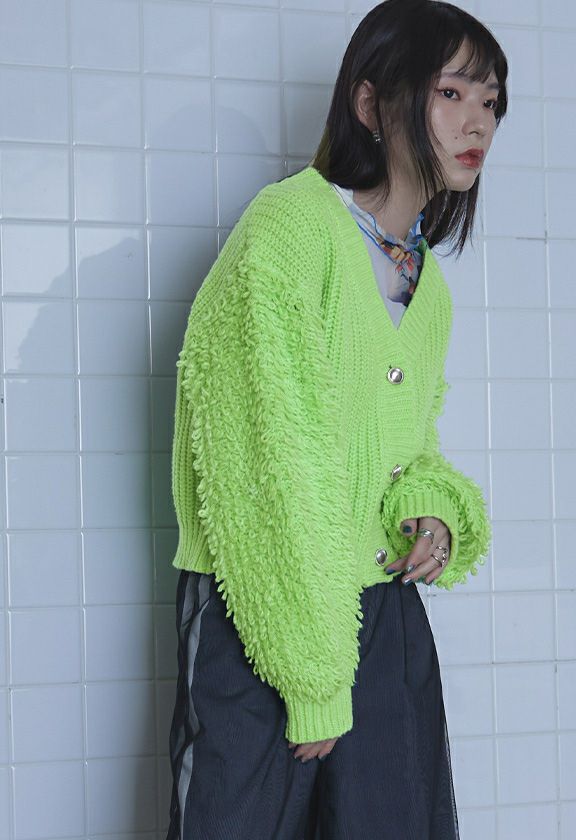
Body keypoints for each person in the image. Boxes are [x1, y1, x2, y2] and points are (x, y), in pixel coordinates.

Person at [165, 1, 508, 837]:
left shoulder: (427, 286)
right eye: (451, 93)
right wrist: (313, 677)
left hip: (382, 617)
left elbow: (407, 445)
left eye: (491, 101)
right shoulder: (290, 229)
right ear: (370, 103)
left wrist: (431, 513)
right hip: (264, 613)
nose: (477, 123)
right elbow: (265, 464)